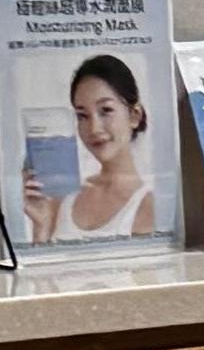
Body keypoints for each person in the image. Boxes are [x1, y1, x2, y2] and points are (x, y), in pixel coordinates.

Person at [30, 51, 162, 245]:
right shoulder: (63, 198)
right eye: (82, 116)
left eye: (106, 110)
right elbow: (43, 264)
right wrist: (40, 227)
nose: (94, 128)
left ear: (134, 115)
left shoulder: (151, 205)